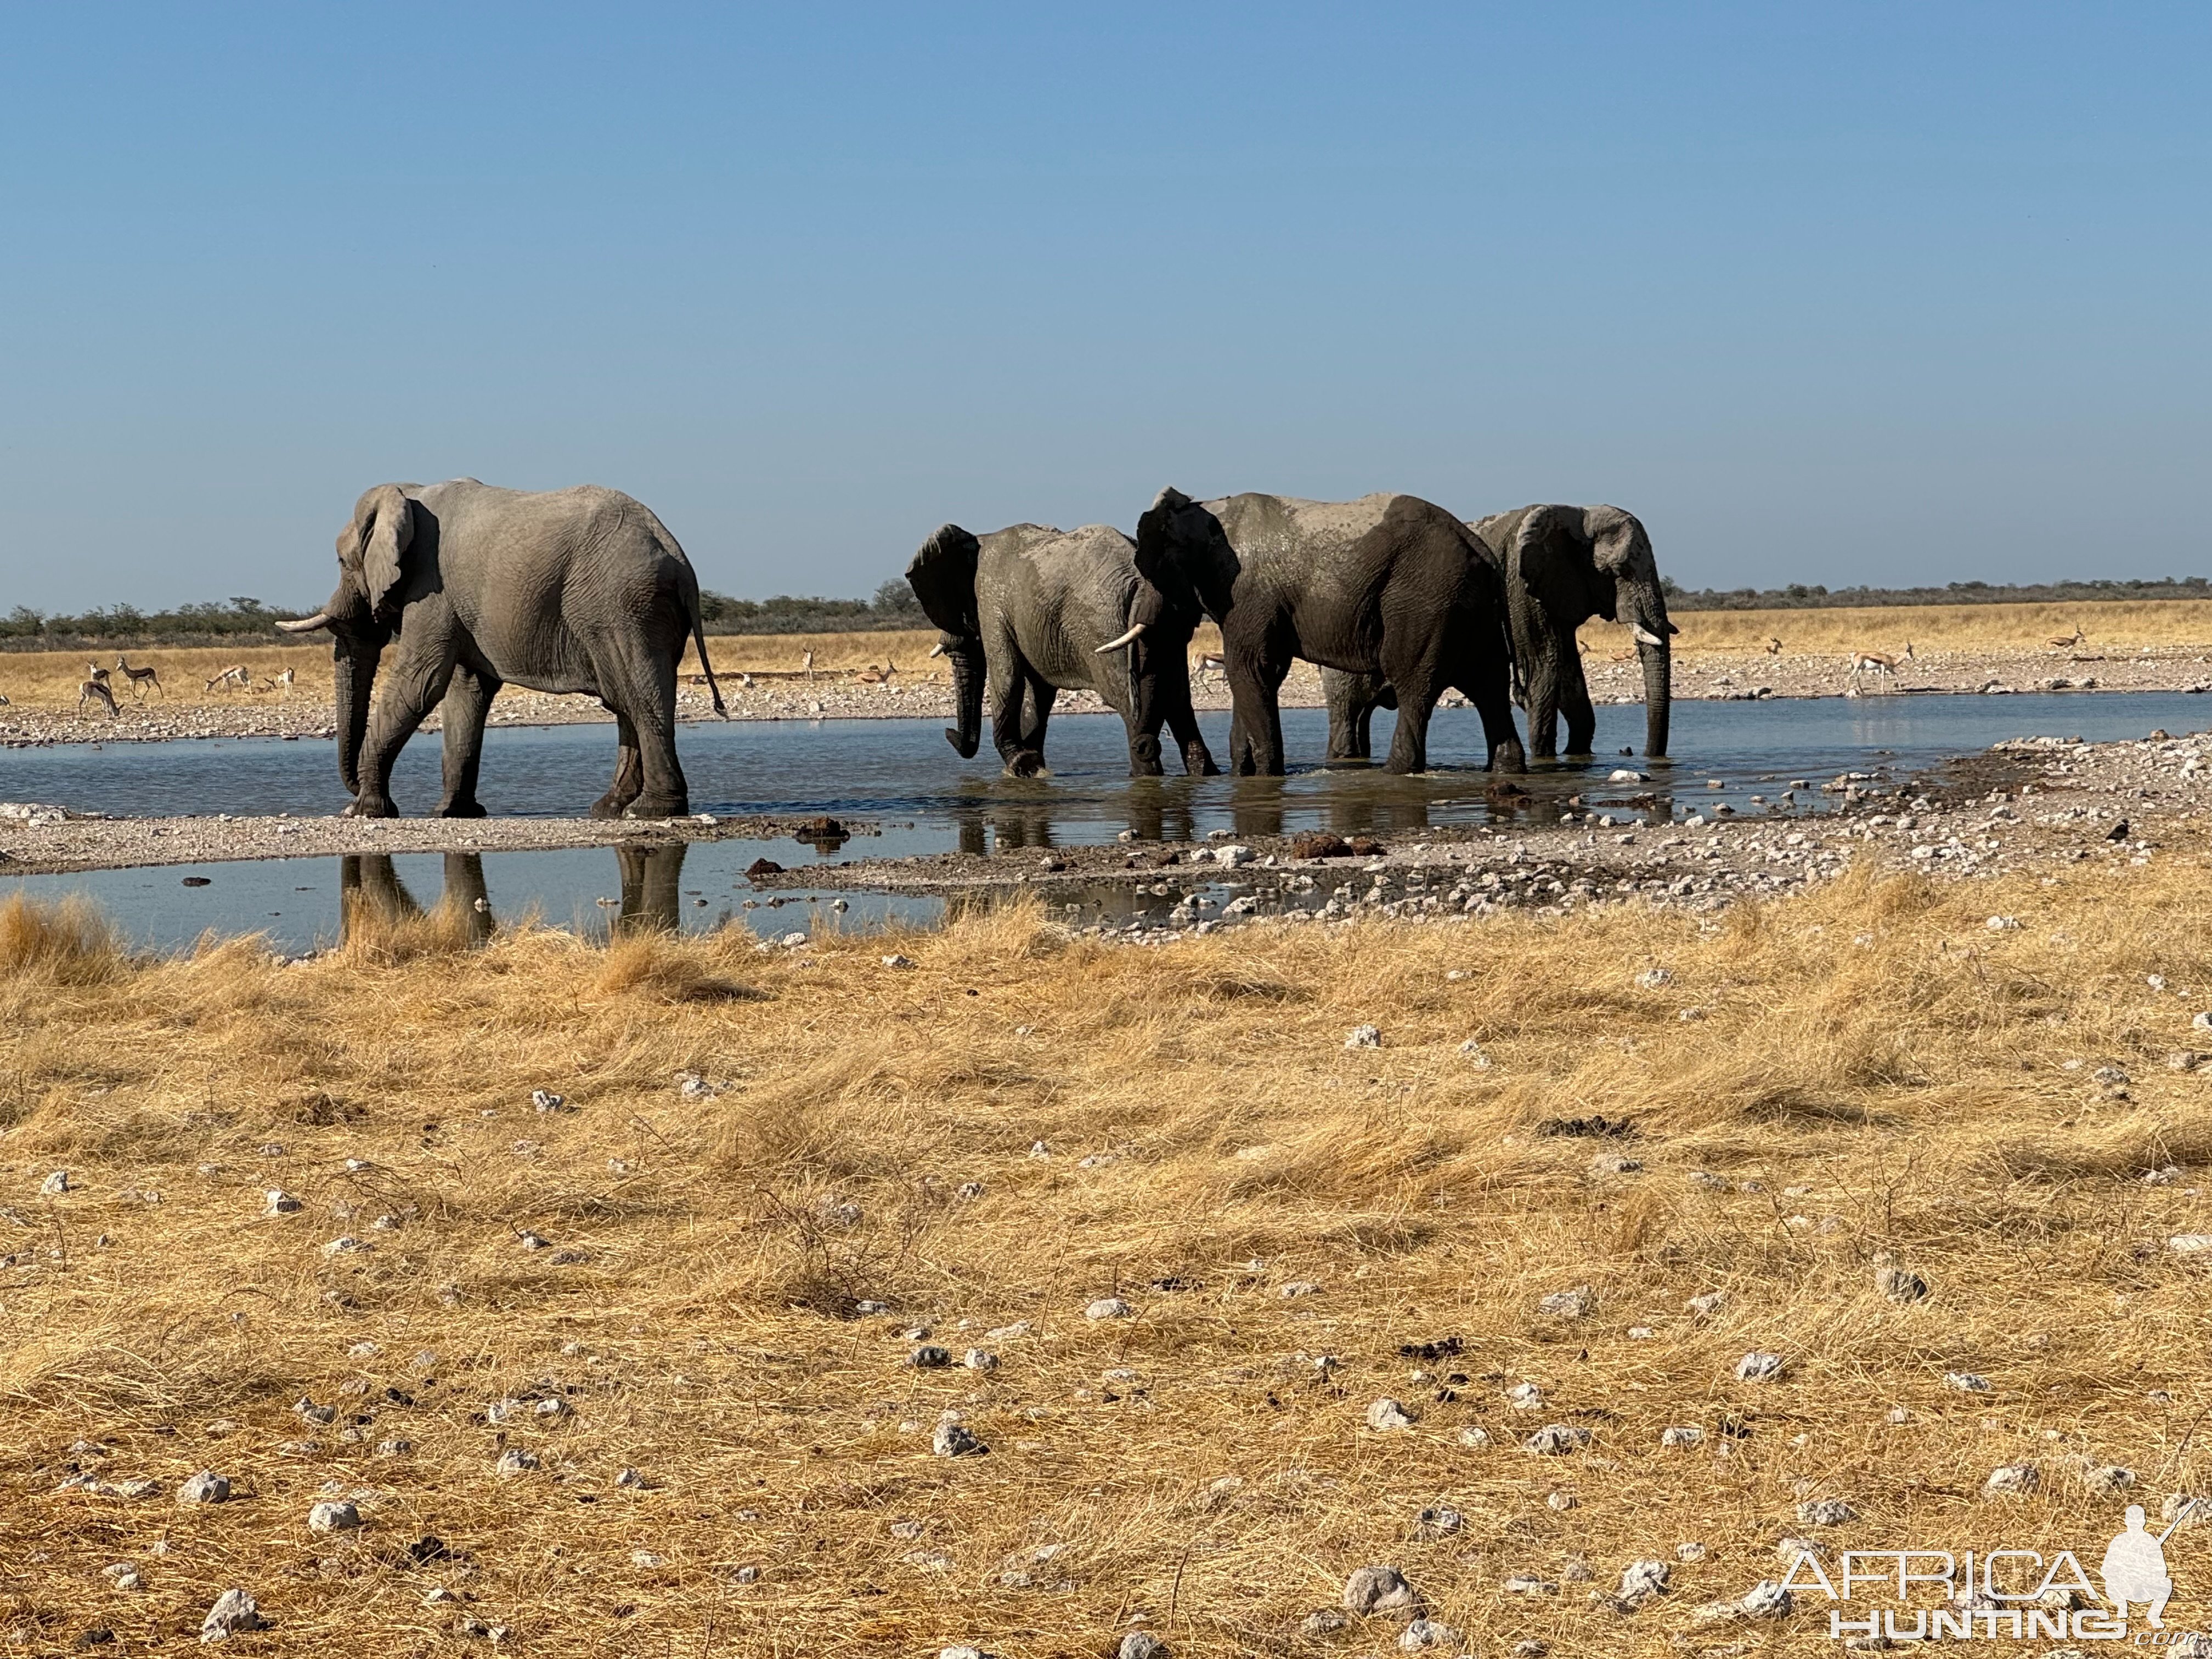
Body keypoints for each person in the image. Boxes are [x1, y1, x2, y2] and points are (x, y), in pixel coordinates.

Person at [2101, 1505, 2175, 1628]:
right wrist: (2122, 1572)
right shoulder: (2119, 1541)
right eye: (2131, 1521)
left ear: (2144, 1522)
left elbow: (2162, 1570)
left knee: (2166, 1583)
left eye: (2138, 1521)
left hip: (2144, 1589)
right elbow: (2106, 1569)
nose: (2134, 1524)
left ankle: (2154, 1615)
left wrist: (2145, 1572)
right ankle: (2122, 1606)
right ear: (2126, 1521)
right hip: (2124, 1587)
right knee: (2109, 1584)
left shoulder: (2151, 1541)